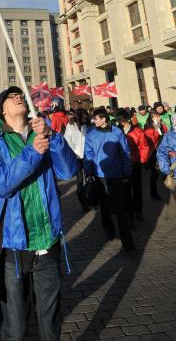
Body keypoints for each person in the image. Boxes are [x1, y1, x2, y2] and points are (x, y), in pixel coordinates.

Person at [0, 86, 77, 341]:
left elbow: (68, 172)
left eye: (21, 94)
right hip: (14, 248)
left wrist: (52, 137)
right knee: (16, 330)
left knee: (50, 329)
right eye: (12, 97)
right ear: (3, 111)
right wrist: (32, 154)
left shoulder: (43, 134)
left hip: (47, 242)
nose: (19, 97)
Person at [84, 107, 135, 251]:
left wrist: (127, 172)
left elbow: (125, 152)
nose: (94, 121)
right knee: (105, 207)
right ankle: (109, 231)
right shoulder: (91, 134)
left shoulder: (117, 132)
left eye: (96, 118)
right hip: (100, 176)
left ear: (104, 119)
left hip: (117, 174)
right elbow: (88, 154)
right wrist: (89, 172)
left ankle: (127, 241)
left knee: (121, 208)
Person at [115, 108, 149, 223]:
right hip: (122, 164)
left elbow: (144, 146)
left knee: (137, 188)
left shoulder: (137, 131)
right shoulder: (116, 131)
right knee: (126, 190)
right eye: (120, 120)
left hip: (135, 163)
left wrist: (141, 160)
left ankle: (138, 211)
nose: (122, 122)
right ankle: (129, 213)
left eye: (123, 120)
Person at [64, 108, 89, 211]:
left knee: (90, 178)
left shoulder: (86, 126)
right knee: (79, 181)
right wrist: (74, 151)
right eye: (82, 115)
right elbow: (67, 140)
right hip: (76, 157)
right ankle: (83, 202)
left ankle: (91, 199)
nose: (84, 117)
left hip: (87, 156)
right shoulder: (70, 126)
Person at [143, 110, 167, 201]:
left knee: (164, 170)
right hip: (153, 153)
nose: (159, 118)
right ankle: (153, 192)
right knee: (155, 173)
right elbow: (153, 139)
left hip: (163, 151)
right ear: (152, 118)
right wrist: (157, 127)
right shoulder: (148, 127)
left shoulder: (160, 125)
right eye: (157, 116)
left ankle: (167, 185)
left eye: (159, 116)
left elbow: (164, 134)